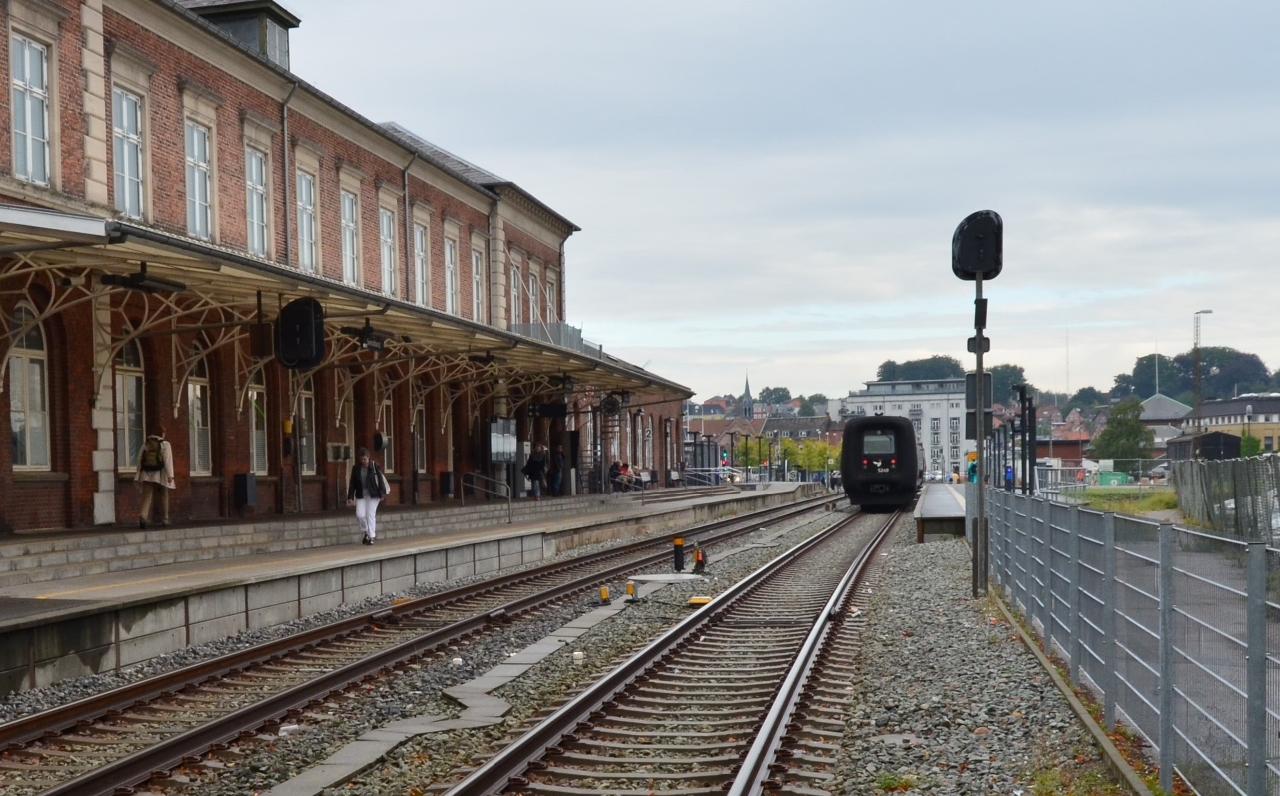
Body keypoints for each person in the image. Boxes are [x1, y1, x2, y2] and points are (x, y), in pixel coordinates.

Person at [135, 428, 175, 528]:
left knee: (147, 495)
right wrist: (170, 475)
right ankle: (165, 519)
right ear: (162, 433)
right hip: (160, 474)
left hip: (146, 473)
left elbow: (140, 458)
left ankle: (143, 517)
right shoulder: (165, 444)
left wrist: (138, 472)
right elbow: (167, 461)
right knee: (164, 494)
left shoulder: (146, 444)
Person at [347, 447, 387, 545]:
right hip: (361, 494)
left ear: (369, 458)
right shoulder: (356, 468)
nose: (363, 461)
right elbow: (352, 483)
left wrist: (382, 493)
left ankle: (371, 537)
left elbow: (380, 480)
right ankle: (366, 532)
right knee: (360, 515)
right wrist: (350, 496)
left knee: (370, 514)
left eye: (365, 459)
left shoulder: (374, 466)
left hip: (373, 494)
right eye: (361, 460)